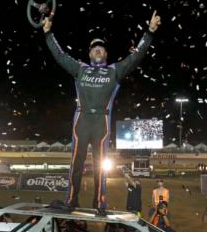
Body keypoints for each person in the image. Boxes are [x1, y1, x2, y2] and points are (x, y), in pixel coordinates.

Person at [42, 11, 161, 210]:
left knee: (100, 166)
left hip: (101, 124)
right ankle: (71, 200)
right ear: (89, 54)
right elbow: (60, 55)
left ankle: (99, 203)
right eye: (94, 48)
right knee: (76, 164)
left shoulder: (114, 70)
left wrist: (149, 33)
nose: (97, 50)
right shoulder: (80, 69)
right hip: (82, 121)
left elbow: (135, 56)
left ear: (106, 54)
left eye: (101, 48)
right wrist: (48, 34)